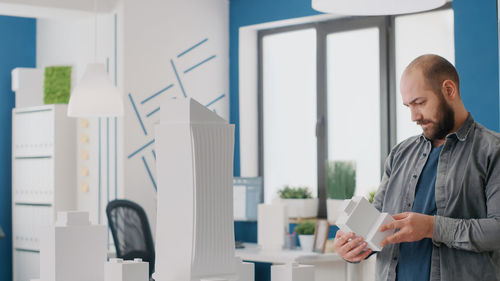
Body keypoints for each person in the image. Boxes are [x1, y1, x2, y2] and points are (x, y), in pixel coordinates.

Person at [333, 54, 500, 281]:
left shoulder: (492, 151)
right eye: (408, 106)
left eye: (420, 103)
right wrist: (354, 247)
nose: (414, 116)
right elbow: (377, 227)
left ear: (449, 90)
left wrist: (432, 227)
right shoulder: (399, 154)